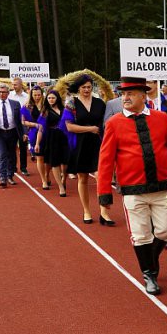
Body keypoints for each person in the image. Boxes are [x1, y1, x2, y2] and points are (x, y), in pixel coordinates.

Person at [98, 77, 167, 295]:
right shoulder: (113, 122)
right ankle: (149, 274)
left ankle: (150, 260)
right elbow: (105, 161)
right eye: (123, 94)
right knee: (141, 235)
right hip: (132, 190)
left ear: (144, 95)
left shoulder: (161, 118)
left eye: (130, 93)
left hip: (163, 188)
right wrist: (104, 194)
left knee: (166, 230)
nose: (125, 97)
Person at [65, 74, 112, 225]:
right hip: (79, 144)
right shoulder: (71, 103)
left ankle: (104, 212)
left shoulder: (99, 103)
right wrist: (90, 128)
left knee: (100, 177)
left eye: (89, 87)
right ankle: (86, 211)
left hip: (98, 144)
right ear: (78, 88)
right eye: (84, 87)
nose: (86, 89)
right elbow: (68, 126)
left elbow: (106, 123)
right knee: (83, 178)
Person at [0, 83, 24, 187]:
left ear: (8, 93)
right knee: (2, 155)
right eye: (0, 92)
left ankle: (10, 175)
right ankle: (2, 177)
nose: (2, 94)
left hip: (12, 133)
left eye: (4, 92)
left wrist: (23, 134)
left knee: (12, 155)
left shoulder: (15, 104)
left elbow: (20, 121)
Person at [36, 89, 73, 197]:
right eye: (49, 98)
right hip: (52, 138)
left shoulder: (64, 109)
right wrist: (37, 143)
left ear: (57, 98)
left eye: (53, 97)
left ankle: (64, 179)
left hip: (64, 137)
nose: (51, 100)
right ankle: (61, 187)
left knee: (66, 162)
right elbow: (41, 129)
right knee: (55, 162)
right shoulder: (45, 111)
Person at [21, 86, 48, 189]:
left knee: (48, 159)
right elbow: (23, 121)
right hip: (34, 132)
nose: (37, 97)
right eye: (35, 95)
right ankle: (43, 180)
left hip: (48, 133)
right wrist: (35, 125)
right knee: (40, 157)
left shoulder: (46, 105)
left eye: (39, 95)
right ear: (31, 95)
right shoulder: (26, 106)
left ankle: (47, 175)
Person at [8, 78, 31, 176]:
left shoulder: (27, 96)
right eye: (13, 84)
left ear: (21, 85)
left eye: (16, 84)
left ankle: (23, 167)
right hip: (12, 124)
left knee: (23, 147)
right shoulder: (9, 95)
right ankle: (13, 167)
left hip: (23, 125)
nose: (14, 86)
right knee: (12, 147)